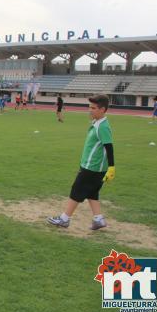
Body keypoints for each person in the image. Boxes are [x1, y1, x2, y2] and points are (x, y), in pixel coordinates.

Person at [48, 94, 115, 230]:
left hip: (92, 167)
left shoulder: (102, 126)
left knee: (76, 191)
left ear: (102, 110)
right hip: (94, 167)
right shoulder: (97, 123)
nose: (90, 110)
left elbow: (109, 146)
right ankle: (98, 219)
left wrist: (112, 167)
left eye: (94, 108)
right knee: (92, 193)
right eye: (89, 107)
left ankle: (64, 219)